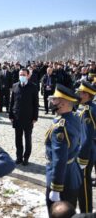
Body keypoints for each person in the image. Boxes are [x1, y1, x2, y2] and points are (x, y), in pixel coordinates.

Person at [45, 84, 82, 214]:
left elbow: (59, 159)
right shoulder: (74, 118)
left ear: (64, 103)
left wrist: (56, 188)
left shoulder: (61, 128)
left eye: (55, 99)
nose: (52, 101)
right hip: (72, 174)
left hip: (62, 180)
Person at [9, 68, 39, 165]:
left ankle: (26, 157)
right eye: (20, 74)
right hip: (17, 117)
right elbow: (12, 102)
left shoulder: (33, 87)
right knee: (18, 139)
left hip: (28, 118)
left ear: (28, 75)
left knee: (27, 139)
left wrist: (35, 117)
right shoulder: (15, 86)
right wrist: (11, 115)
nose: (22, 76)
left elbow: (36, 103)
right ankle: (19, 157)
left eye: (24, 74)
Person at [76, 81, 96, 213]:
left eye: (80, 92)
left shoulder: (87, 111)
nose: (77, 94)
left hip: (86, 154)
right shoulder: (89, 107)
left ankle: (86, 213)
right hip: (89, 150)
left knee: (84, 186)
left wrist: (82, 159)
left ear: (86, 95)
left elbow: (87, 137)